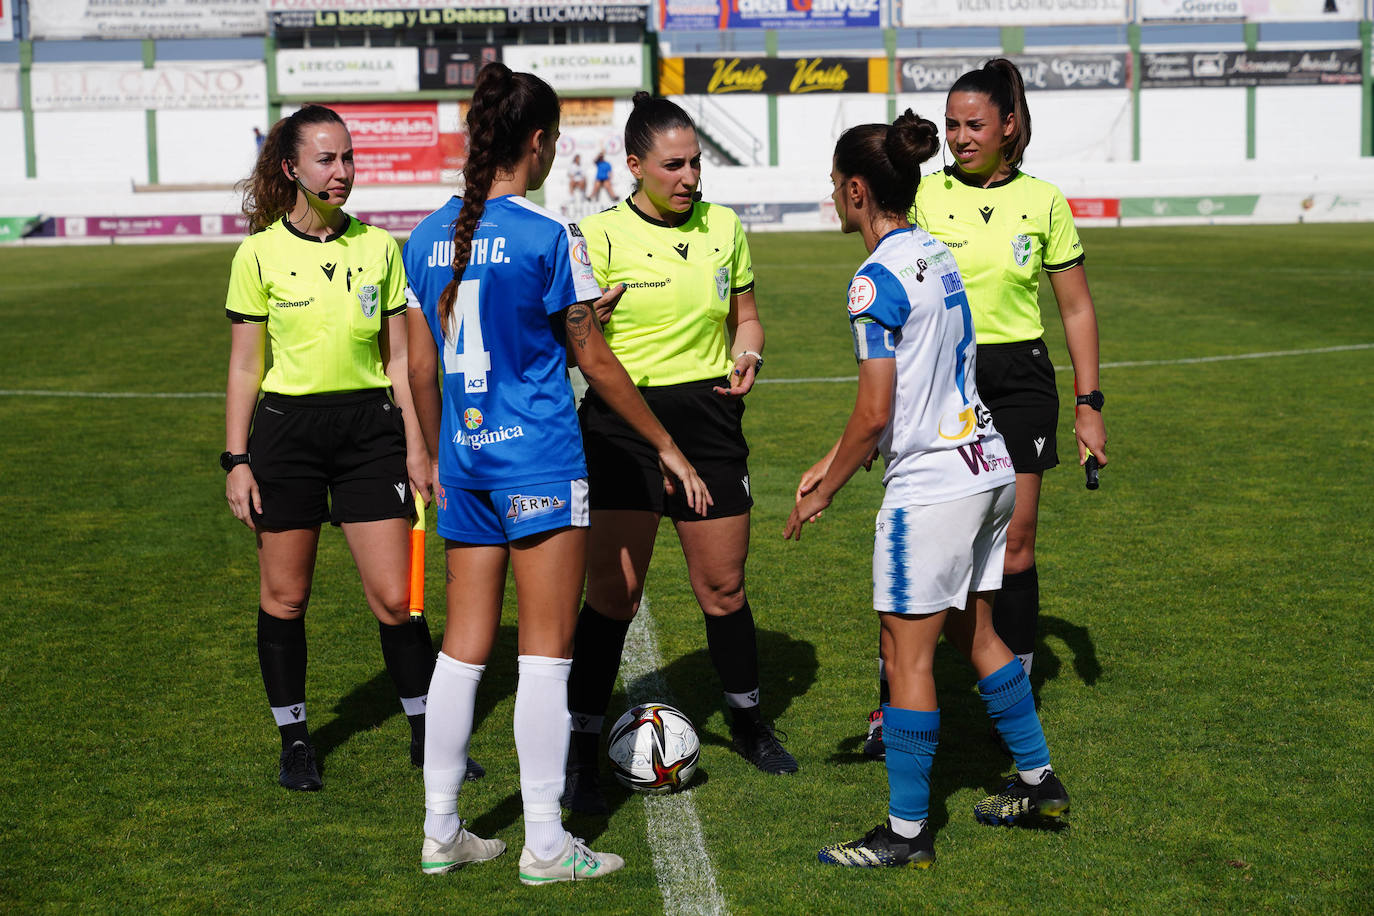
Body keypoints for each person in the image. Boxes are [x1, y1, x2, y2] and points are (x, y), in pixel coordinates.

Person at [404, 63, 710, 882]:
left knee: (462, 654)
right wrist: (667, 445)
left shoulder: (426, 235)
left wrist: (432, 453)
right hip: (536, 460)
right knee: (546, 655)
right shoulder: (548, 236)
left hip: (465, 463)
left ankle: (440, 831)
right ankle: (545, 842)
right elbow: (593, 359)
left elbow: (422, 367)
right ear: (536, 142)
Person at [785, 111, 1070, 867]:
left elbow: (878, 407)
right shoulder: (936, 253)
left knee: (904, 653)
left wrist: (826, 488)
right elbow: (924, 383)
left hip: (933, 488)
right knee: (975, 633)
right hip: (988, 466)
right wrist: (833, 456)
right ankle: (1039, 779)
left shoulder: (870, 281)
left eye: (835, 186)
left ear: (854, 190)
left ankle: (907, 834)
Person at [863, 58, 1109, 760]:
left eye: (975, 124)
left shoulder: (1045, 200)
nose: (961, 137)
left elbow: (1077, 306)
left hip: (1019, 375)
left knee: (1017, 545)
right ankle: (892, 702)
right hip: (941, 381)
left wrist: (1090, 404)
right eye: (951, 125)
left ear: (1010, 125)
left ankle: (1014, 704)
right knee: (917, 545)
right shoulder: (925, 194)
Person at [560, 92, 796, 816]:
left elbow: (745, 313)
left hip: (710, 420)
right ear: (634, 166)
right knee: (613, 597)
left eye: (696, 162)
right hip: (621, 424)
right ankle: (580, 755)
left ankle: (751, 724)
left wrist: (748, 347)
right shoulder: (595, 236)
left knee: (722, 588)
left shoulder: (724, 228)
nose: (690, 175)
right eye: (673, 164)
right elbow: (573, 339)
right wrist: (583, 321)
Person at [223, 105, 441, 792]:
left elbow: (402, 362)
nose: (342, 172)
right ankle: (295, 740)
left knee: (396, 598)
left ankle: (428, 734)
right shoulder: (258, 253)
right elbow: (243, 368)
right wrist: (236, 459)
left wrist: (416, 450)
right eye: (327, 159)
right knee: (286, 597)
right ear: (292, 168)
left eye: (348, 158)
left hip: (370, 433)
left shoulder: (379, 248)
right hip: (286, 436)